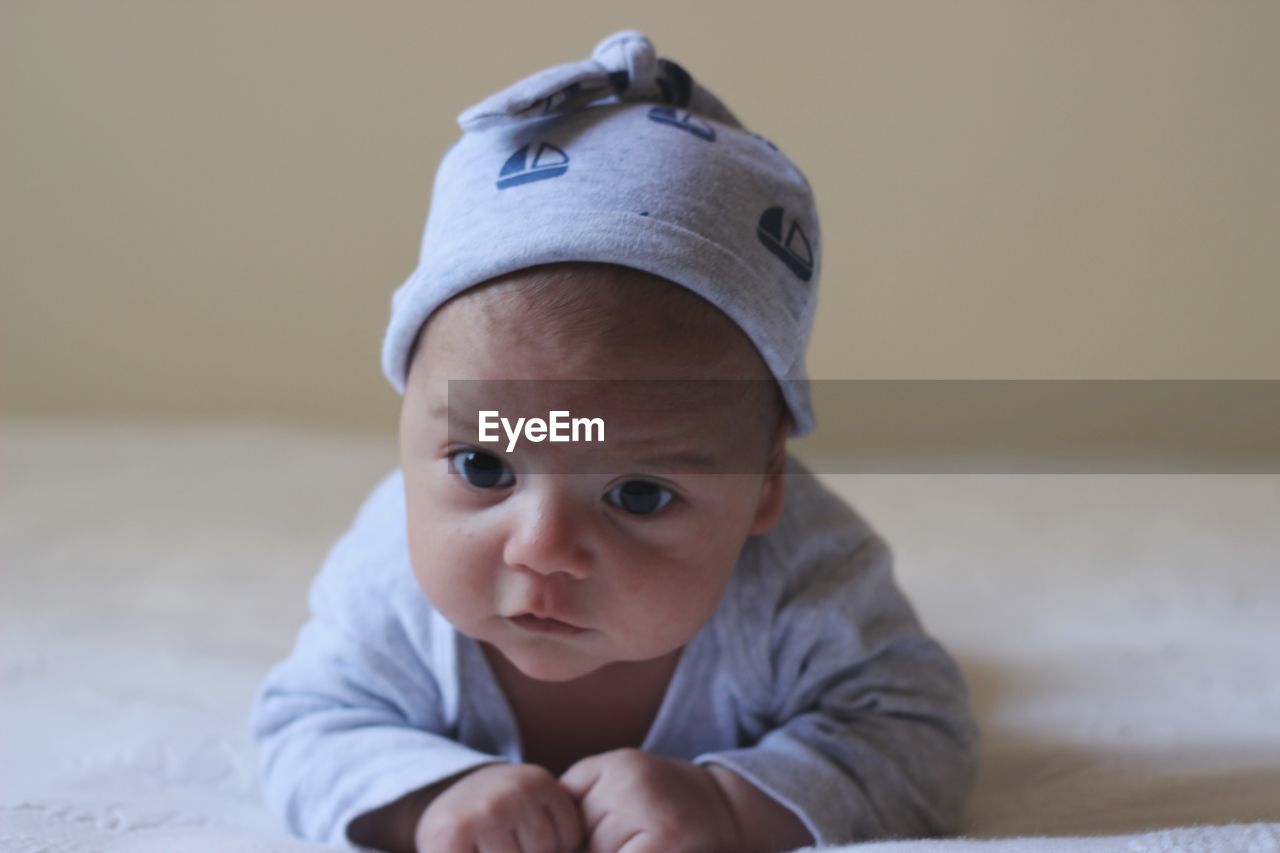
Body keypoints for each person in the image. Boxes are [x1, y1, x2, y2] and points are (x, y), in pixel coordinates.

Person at [251, 30, 977, 853]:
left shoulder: (805, 585)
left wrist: (733, 805)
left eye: (639, 493)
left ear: (766, 482)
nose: (544, 548)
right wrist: (427, 801)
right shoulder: (391, 587)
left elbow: (924, 734)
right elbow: (303, 727)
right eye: (485, 464)